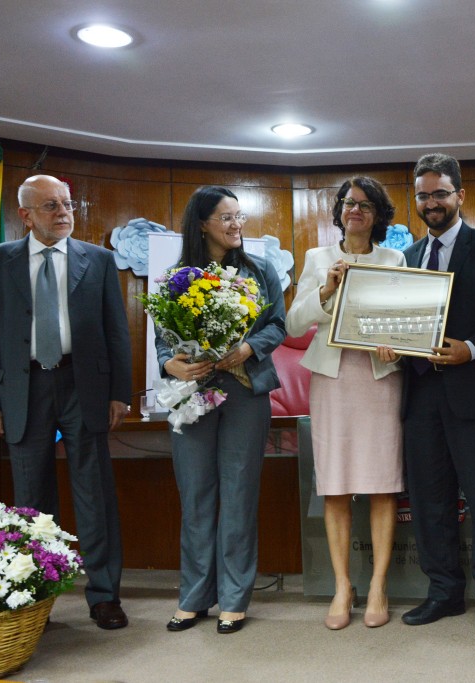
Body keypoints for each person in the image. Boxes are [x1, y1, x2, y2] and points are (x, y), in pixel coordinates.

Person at [0, 174, 132, 630]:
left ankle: (103, 596)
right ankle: (38, 598)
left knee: (95, 494)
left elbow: (117, 331)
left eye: (67, 204)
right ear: (25, 215)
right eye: (51, 206)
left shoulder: (97, 260)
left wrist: (120, 391)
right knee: (32, 498)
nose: (63, 212)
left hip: (85, 385)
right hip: (22, 388)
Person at [387, 153, 475, 634]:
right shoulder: (405, 259)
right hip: (420, 395)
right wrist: (390, 346)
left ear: (460, 195)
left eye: (440, 193)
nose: (431, 202)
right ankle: (444, 593)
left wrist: (470, 348)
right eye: (423, 195)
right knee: (429, 501)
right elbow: (402, 322)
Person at [156, 186, 286, 635]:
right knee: (195, 496)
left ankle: (234, 598)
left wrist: (248, 347)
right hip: (192, 396)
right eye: (226, 217)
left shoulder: (261, 269)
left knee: (238, 495)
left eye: (239, 216)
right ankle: (194, 598)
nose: (236, 225)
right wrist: (169, 362)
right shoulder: (176, 278)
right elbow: (162, 343)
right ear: (202, 224)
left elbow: (278, 325)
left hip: (246, 393)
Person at [285, 176, 405, 630]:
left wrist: (398, 343)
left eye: (366, 205)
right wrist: (326, 290)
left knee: (381, 483)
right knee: (334, 485)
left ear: (378, 216)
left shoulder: (395, 258)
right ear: (338, 211)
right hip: (332, 379)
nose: (355, 210)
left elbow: (409, 319)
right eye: (348, 203)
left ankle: (377, 584)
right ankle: (342, 585)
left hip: (379, 379)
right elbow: (294, 324)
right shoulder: (318, 258)